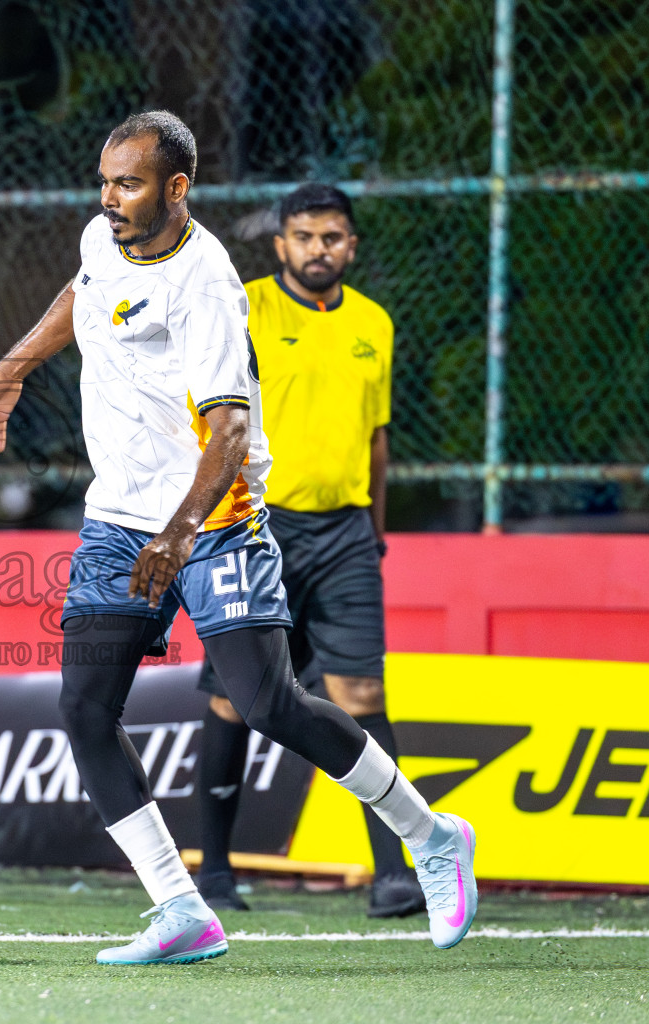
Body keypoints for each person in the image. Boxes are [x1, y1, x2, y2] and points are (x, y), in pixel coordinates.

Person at [0, 111, 476, 966]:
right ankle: (181, 907)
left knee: (270, 705)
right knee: (85, 709)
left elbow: (228, 435)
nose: (109, 198)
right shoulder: (103, 235)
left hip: (216, 520)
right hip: (118, 519)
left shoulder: (208, 286)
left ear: (177, 188)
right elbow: (84, 291)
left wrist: (179, 534)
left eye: (128, 184)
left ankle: (432, 834)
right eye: (105, 180)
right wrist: (13, 372)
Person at [193, 183, 423, 919]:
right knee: (234, 698)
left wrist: (376, 530)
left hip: (349, 533)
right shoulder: (247, 307)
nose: (317, 248)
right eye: (304, 235)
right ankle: (216, 871)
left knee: (364, 697)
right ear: (281, 243)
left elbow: (377, 439)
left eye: (332, 237)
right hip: (257, 529)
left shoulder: (374, 323)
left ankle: (394, 874)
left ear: (351, 246)